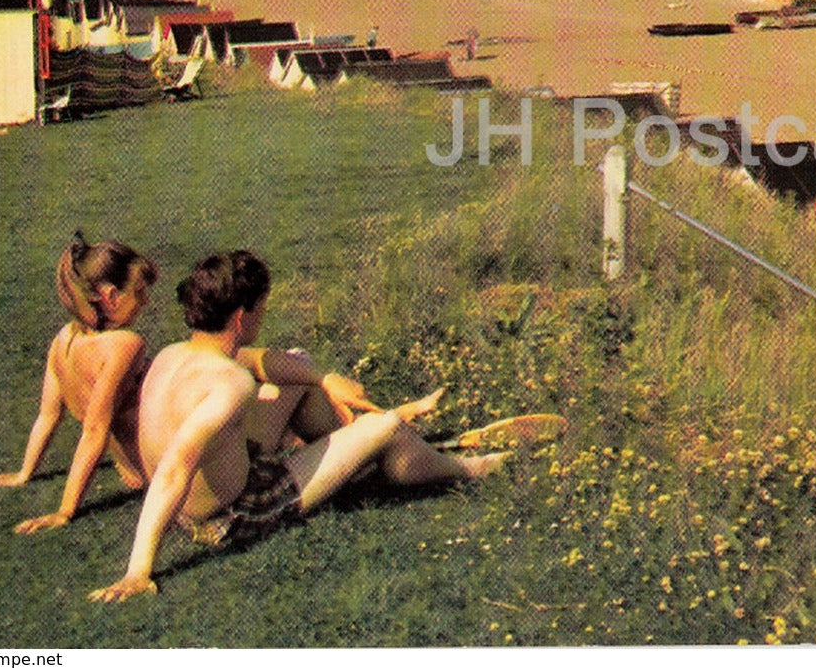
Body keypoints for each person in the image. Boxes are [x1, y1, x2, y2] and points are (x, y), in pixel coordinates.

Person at [89, 251, 506, 603]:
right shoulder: (229, 383)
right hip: (232, 513)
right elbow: (177, 466)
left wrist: (323, 378)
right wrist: (138, 570)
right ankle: (467, 467)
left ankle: (364, 453)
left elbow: (259, 359)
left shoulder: (173, 354)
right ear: (240, 317)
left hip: (194, 500)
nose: (263, 317)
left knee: (298, 367)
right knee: (387, 426)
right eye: (262, 308)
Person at [0, 233, 159, 534]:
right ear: (111, 296)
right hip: (151, 466)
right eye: (138, 292)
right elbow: (95, 429)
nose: (145, 302)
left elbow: (49, 416)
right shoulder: (125, 345)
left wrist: (25, 472)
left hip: (131, 466)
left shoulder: (64, 339)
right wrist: (65, 510)